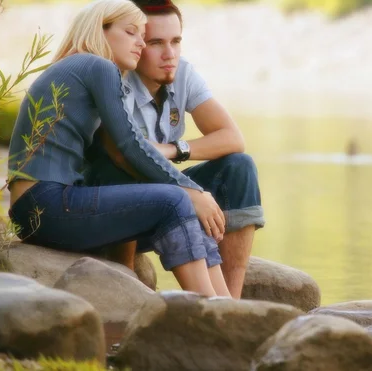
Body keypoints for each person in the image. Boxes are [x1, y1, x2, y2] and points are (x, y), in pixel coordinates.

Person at [7, 0, 230, 298]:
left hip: (38, 206)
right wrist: (190, 189)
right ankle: (212, 312)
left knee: (175, 200)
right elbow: (130, 143)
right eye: (131, 32)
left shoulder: (77, 67)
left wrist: (190, 195)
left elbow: (124, 150)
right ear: (101, 31)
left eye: (141, 34)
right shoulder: (97, 65)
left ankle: (224, 304)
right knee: (175, 200)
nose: (140, 42)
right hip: (44, 205)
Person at [85, 0, 264, 299]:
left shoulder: (182, 73)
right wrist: (188, 192)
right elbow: (124, 158)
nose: (170, 54)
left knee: (239, 167)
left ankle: (233, 305)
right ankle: (127, 290)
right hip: (107, 207)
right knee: (120, 169)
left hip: (163, 197)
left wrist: (173, 149)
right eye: (156, 43)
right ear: (138, 42)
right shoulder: (114, 78)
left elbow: (232, 137)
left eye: (176, 41)